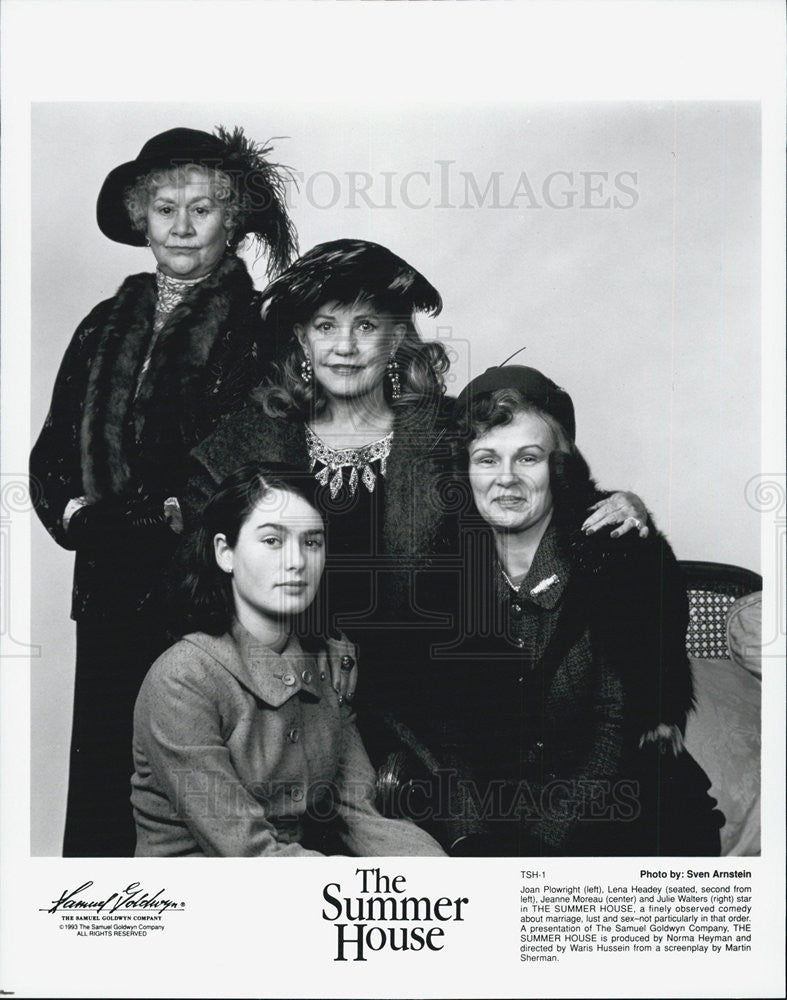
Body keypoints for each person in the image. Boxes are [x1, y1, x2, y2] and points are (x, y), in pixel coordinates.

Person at [184, 240, 648, 754]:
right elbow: (202, 579)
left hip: (437, 698)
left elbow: (536, 499)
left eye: (365, 326)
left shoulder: (452, 432)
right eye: (325, 326)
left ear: (396, 337)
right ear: (301, 340)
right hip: (288, 693)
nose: (344, 347)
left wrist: (622, 505)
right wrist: (311, 639)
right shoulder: (244, 444)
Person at [29, 125, 297, 856]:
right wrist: (81, 517)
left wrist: (163, 515)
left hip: (204, 592)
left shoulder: (260, 328)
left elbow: (258, 455)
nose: (182, 226)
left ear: (232, 218)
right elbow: (50, 457)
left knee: (201, 780)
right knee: (108, 779)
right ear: (141, 219)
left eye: (202, 208)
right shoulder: (99, 327)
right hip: (109, 587)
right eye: (165, 208)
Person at [429, 365, 723, 856]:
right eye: (486, 459)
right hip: (501, 819)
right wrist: (471, 839)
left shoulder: (612, 558)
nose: (506, 479)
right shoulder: (445, 570)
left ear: (558, 467)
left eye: (528, 458)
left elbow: (614, 727)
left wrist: (537, 853)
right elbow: (441, 726)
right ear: (464, 470)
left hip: (627, 816)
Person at [132, 463, 445, 857]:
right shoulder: (182, 679)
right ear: (224, 553)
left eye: (312, 542)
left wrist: (446, 879)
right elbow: (248, 851)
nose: (297, 561)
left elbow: (365, 815)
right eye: (273, 541)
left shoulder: (324, 668)